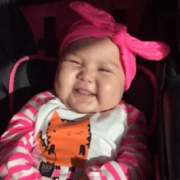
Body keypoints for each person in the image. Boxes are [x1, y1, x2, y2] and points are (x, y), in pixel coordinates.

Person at [0, 1, 170, 180]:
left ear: (123, 85)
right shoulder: (40, 103)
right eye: (75, 63)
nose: (85, 76)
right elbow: (12, 145)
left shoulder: (129, 117)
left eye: (104, 70)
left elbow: (136, 163)